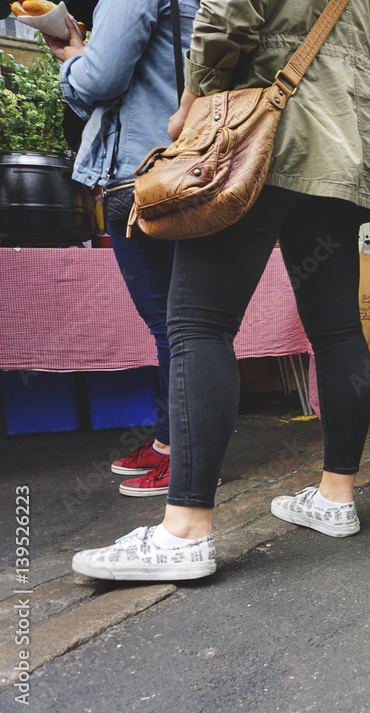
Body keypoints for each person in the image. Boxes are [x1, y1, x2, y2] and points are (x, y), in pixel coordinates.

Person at [71, 0, 370, 581]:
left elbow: (226, 18)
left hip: (261, 128)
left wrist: (190, 108)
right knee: (338, 327)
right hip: (342, 138)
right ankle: (336, 496)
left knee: (199, 324)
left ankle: (186, 530)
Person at [43, 0, 197, 497]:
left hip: (143, 174)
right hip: (174, 166)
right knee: (178, 323)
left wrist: (71, 58)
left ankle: (189, 457)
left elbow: (98, 82)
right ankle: (173, 442)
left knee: (177, 326)